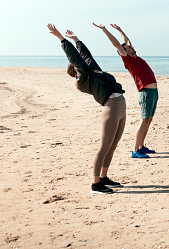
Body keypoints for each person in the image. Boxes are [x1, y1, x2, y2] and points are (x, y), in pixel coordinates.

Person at [47, 24, 126, 194]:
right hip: (111, 107)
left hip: (120, 107)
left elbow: (86, 56)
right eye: (78, 65)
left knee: (113, 146)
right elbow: (77, 59)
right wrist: (61, 38)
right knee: (104, 147)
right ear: (76, 70)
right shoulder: (84, 77)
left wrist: (76, 40)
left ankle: (104, 178)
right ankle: (95, 184)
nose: (83, 63)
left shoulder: (93, 71)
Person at [93, 23, 158, 159]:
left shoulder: (135, 58)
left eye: (130, 46)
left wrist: (121, 30)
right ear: (125, 52)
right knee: (144, 120)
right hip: (145, 93)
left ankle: (141, 146)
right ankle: (135, 151)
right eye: (129, 47)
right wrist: (105, 30)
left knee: (149, 120)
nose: (131, 46)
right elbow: (117, 44)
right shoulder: (128, 61)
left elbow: (126, 41)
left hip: (153, 93)